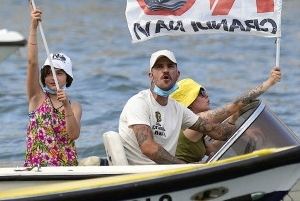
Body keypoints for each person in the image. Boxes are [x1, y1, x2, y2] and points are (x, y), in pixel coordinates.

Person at [117, 50, 281, 165]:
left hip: (166, 173)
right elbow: (147, 147)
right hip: (140, 176)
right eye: (159, 67)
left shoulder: (178, 110)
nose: (165, 70)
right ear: (150, 75)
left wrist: (242, 129)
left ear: (177, 74)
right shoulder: (139, 102)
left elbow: (218, 132)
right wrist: (268, 83)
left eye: (170, 66)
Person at [169, 75, 277, 163]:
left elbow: (214, 149)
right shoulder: (198, 119)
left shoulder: (195, 128)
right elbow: (235, 104)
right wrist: (269, 83)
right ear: (189, 105)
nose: (206, 95)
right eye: (201, 94)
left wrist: (233, 122)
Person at [23, 6, 81, 167]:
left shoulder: (74, 106)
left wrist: (66, 107)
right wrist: (33, 27)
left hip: (66, 169)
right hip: (37, 169)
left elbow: (74, 135)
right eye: (49, 73)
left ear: (67, 78)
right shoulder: (37, 97)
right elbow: (32, 63)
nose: (53, 78)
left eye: (59, 73)